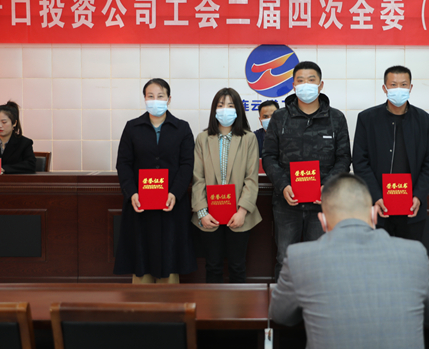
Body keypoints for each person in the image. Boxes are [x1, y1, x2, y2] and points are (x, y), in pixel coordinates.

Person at [269, 173, 429, 349]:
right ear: (374, 215)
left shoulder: (299, 259)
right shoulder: (416, 254)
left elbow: (280, 315)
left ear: (323, 222)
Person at [262, 61, 351, 280]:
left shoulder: (336, 118)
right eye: (300, 81)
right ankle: (284, 302)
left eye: (311, 80)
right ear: (293, 85)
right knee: (285, 258)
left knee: (320, 259)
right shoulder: (280, 117)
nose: (306, 85)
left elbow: (344, 159)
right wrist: (283, 185)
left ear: (321, 85)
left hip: (323, 204)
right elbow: (269, 156)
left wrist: (327, 186)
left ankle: (317, 302)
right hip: (286, 203)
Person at [114, 78, 197, 284]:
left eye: (160, 96)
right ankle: (142, 304)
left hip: (172, 205)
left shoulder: (182, 128)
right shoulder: (132, 128)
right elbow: (123, 164)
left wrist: (175, 193)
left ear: (169, 99)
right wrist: (132, 193)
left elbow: (187, 165)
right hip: (140, 205)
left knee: (170, 260)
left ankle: (170, 304)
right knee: (141, 260)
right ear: (144, 98)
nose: (155, 100)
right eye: (150, 96)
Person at [352, 65, 429, 242]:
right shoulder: (367, 119)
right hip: (377, 208)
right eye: (393, 84)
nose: (398, 89)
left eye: (403, 84)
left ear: (410, 88)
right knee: (377, 256)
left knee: (409, 256)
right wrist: (376, 196)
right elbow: (360, 162)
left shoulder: (424, 120)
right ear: (384, 88)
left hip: (412, 209)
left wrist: (418, 196)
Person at [191, 88, 262, 283]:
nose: (225, 110)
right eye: (221, 105)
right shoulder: (203, 139)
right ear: (214, 110)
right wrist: (202, 212)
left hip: (238, 213)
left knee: (237, 266)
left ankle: (239, 304)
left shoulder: (248, 138)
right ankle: (212, 305)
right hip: (209, 214)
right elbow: (198, 178)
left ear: (238, 110)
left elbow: (251, 179)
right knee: (213, 265)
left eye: (230, 106)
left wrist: (242, 211)